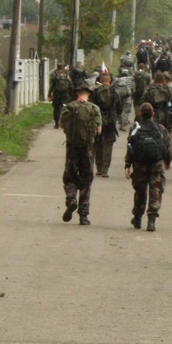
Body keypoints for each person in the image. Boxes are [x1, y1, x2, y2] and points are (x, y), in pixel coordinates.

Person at [124, 102, 172, 231]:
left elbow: (130, 147)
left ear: (140, 114)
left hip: (140, 164)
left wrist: (127, 165)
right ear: (153, 114)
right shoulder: (160, 128)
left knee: (140, 190)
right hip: (156, 164)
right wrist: (167, 161)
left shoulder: (135, 128)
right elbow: (168, 147)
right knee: (155, 189)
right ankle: (151, 220)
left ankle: (138, 218)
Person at [59, 83, 102, 225]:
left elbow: (61, 125)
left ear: (77, 93)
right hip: (88, 149)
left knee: (70, 177)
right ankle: (83, 215)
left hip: (72, 148)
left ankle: (71, 199)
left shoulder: (69, 107)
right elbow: (99, 130)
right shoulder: (94, 108)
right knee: (86, 179)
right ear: (88, 94)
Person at [90, 67, 120, 177]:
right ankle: (105, 170)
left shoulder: (96, 91)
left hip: (98, 121)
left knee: (97, 144)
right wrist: (115, 115)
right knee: (108, 145)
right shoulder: (114, 92)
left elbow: (91, 106)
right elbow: (119, 107)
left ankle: (99, 168)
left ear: (100, 81)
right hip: (110, 121)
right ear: (110, 81)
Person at [49, 63, 73, 128]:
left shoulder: (54, 75)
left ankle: (56, 123)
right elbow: (70, 85)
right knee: (65, 108)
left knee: (56, 109)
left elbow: (51, 86)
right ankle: (64, 122)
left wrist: (49, 95)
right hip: (65, 95)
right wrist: (71, 94)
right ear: (63, 68)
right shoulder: (66, 75)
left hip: (56, 94)